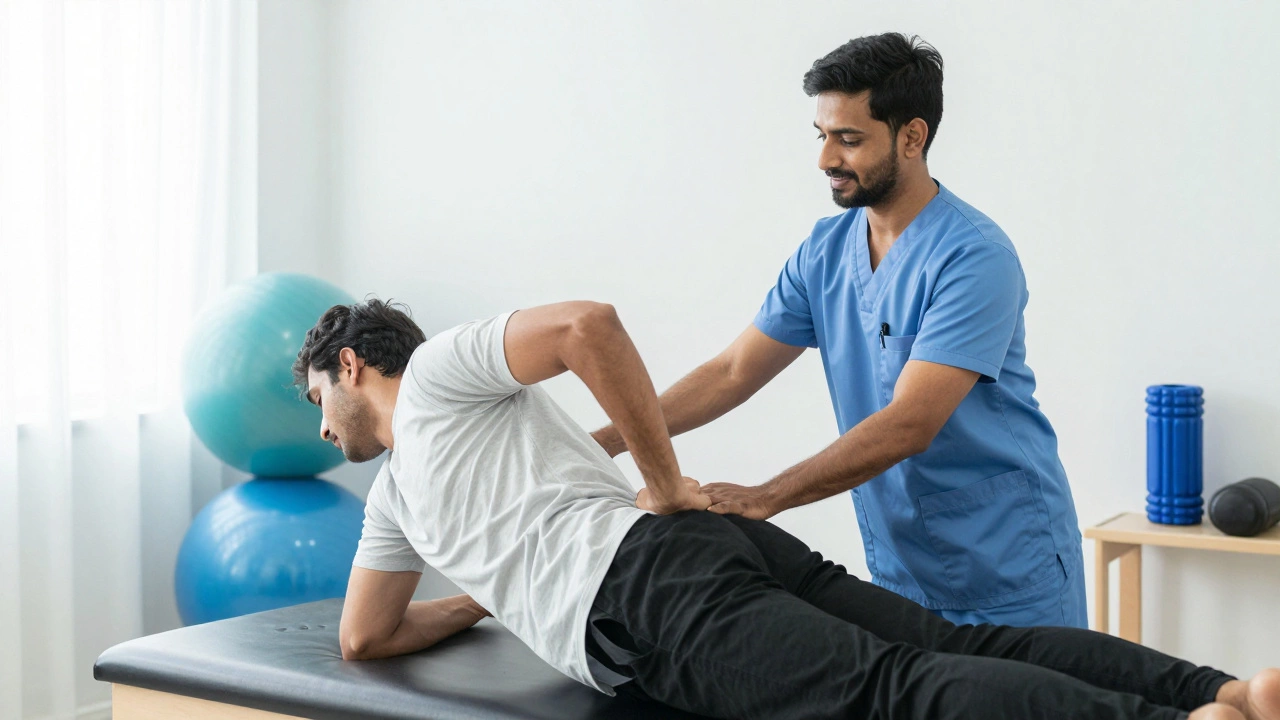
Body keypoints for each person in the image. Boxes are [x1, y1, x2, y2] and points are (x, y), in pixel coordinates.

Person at [292, 298, 1276, 720]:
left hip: (645, 587)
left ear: (349, 365)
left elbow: (586, 325)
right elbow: (364, 638)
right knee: (951, 645)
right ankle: (1228, 691)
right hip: (697, 549)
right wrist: (493, 593)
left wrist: (662, 478)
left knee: (891, 693)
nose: (322, 429)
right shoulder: (397, 496)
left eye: (315, 401)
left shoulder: (436, 373)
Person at [591, 32, 1086, 628]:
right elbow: (732, 371)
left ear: (912, 137)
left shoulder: (974, 258)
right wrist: (603, 441)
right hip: (903, 567)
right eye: (822, 135)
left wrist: (767, 496)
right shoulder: (825, 252)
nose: (826, 159)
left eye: (849, 140)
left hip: (1006, 565)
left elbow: (910, 423)